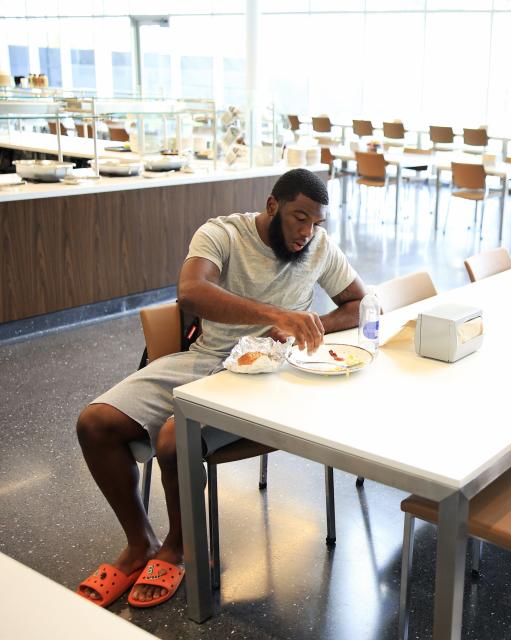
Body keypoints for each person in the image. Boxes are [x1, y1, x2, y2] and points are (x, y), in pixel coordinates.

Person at [75, 168, 366, 608]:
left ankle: (178, 545)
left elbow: (359, 303)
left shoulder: (320, 249)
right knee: (94, 423)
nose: (307, 232)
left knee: (176, 436)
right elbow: (190, 292)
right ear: (273, 206)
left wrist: (311, 325)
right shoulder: (223, 234)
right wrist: (280, 313)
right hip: (206, 359)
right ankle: (141, 544)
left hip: (272, 377)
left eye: (316, 223)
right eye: (298, 218)